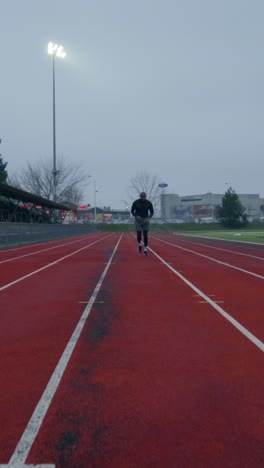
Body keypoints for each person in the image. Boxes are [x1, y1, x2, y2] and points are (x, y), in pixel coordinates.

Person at [131, 192, 154, 256]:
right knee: (139, 233)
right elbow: (132, 211)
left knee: (145, 234)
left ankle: (145, 249)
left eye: (144, 197)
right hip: (138, 220)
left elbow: (152, 212)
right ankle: (140, 244)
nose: (143, 198)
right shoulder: (136, 202)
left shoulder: (148, 203)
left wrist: (148, 218)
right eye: (142, 197)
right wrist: (136, 216)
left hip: (145, 220)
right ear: (140, 196)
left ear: (146, 197)